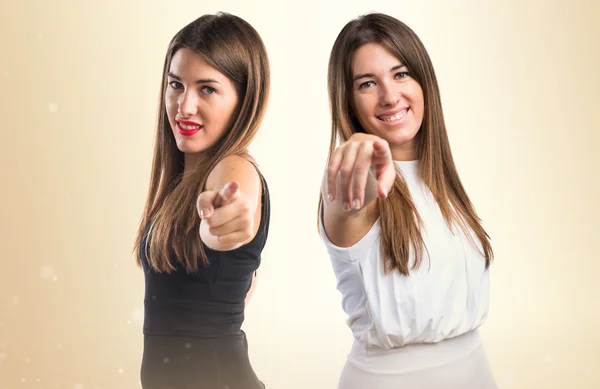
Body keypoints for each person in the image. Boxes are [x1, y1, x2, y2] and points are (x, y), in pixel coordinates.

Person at [318, 12, 497, 389]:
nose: (389, 95)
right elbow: (350, 190)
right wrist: (361, 151)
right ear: (348, 100)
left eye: (401, 74)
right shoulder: (352, 181)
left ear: (423, 80)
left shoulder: (442, 181)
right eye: (367, 83)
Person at [133, 12, 270, 389]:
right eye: (176, 85)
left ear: (243, 101)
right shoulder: (181, 183)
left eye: (207, 89)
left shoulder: (233, 168)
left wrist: (222, 226)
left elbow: (230, 206)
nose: (184, 105)